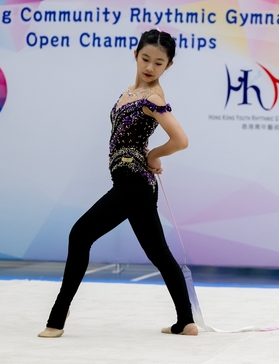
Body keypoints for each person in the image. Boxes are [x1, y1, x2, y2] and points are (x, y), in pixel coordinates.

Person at [38, 29, 197, 338]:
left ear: (169, 66)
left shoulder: (153, 98)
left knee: (80, 235)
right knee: (159, 253)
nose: (150, 67)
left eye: (159, 63)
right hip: (137, 183)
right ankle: (186, 321)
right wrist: (149, 156)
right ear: (135, 55)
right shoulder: (131, 92)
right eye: (145, 58)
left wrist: (153, 154)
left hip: (133, 182)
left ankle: (58, 315)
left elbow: (181, 140)